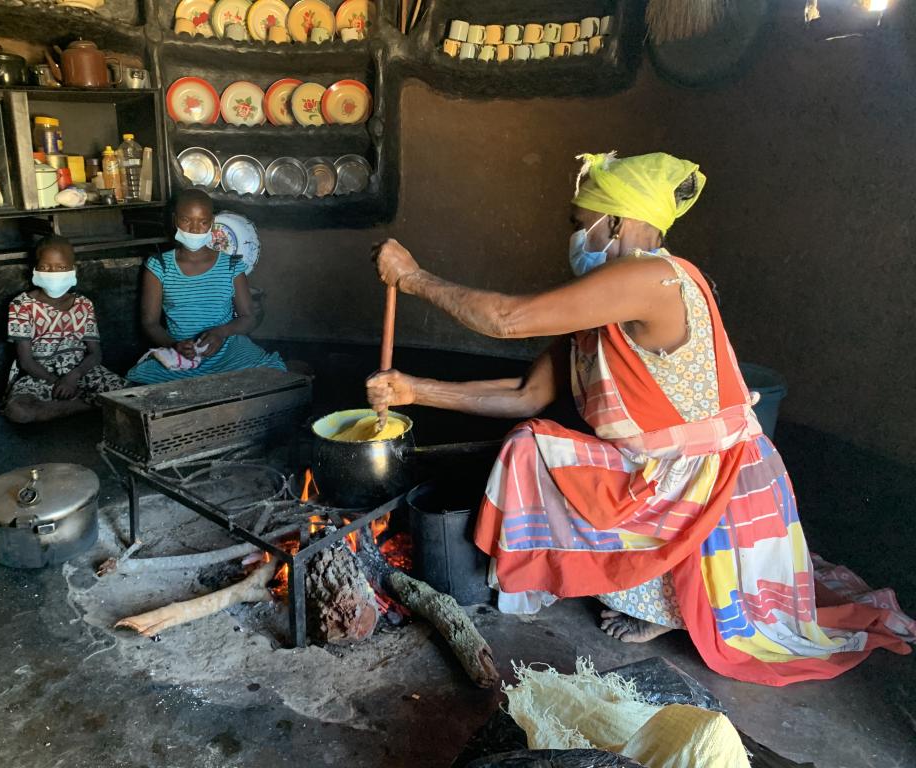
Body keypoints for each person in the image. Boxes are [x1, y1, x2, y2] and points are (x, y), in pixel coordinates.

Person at [367, 152, 914, 686]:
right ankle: (650, 596)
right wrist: (416, 390)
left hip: (708, 478)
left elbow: (508, 320)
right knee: (531, 441)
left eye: (582, 225)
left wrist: (414, 278)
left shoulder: (653, 277)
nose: (576, 237)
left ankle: (663, 604)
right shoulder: (599, 306)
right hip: (661, 471)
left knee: (533, 449)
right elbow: (524, 393)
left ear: (620, 222)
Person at [126, 189, 285, 384]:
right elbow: (150, 323)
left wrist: (221, 333)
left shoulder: (231, 265)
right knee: (140, 381)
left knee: (271, 372)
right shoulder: (160, 266)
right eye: (186, 220)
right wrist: (174, 344)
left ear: (211, 223)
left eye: (202, 222)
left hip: (228, 350)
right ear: (175, 220)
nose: (194, 229)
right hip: (181, 353)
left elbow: (248, 318)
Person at [3, 235, 128, 423]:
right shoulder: (22, 305)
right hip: (39, 376)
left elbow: (95, 354)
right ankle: (90, 404)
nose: (53, 273)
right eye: (45, 267)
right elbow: (26, 361)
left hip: (82, 372)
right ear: (35, 270)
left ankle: (76, 405)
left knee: (132, 395)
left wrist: (73, 377)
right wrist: (57, 383)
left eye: (61, 267)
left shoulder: (84, 304)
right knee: (19, 411)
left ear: (72, 270)